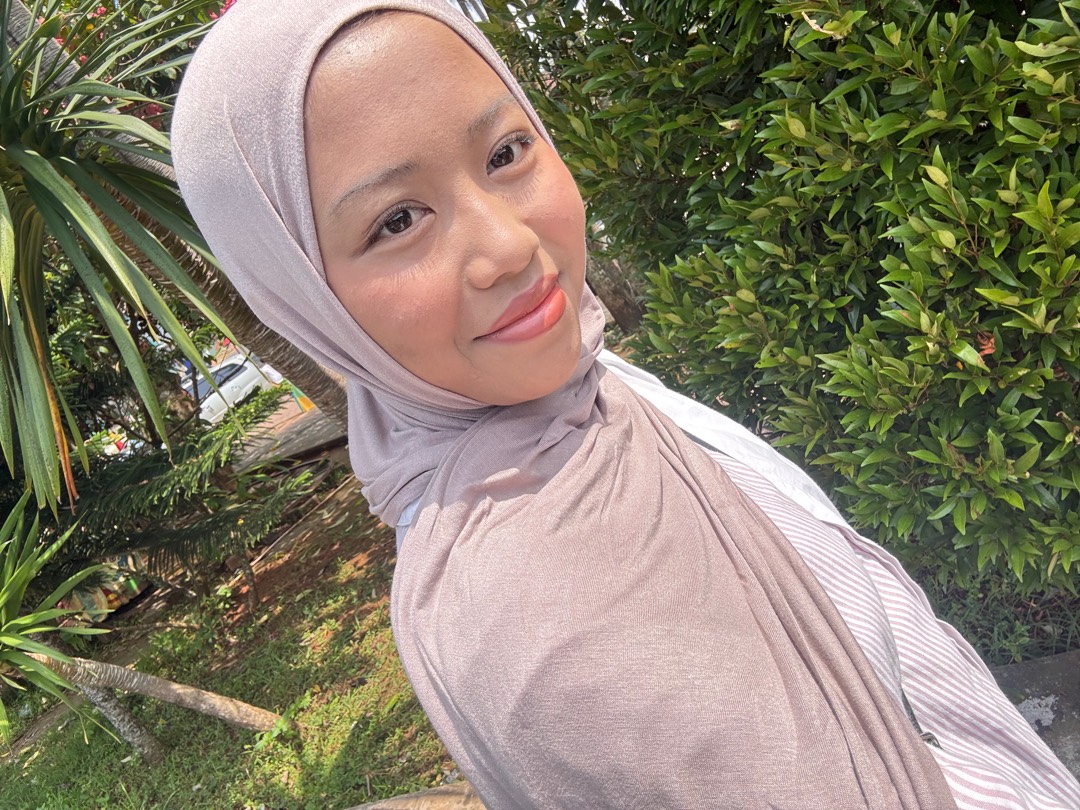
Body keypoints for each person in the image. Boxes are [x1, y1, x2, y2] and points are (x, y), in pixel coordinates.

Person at [172, 2, 1080, 807]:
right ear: (302, 295)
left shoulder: (574, 391)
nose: (508, 245)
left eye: (505, 153)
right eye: (396, 221)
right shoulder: (539, 613)